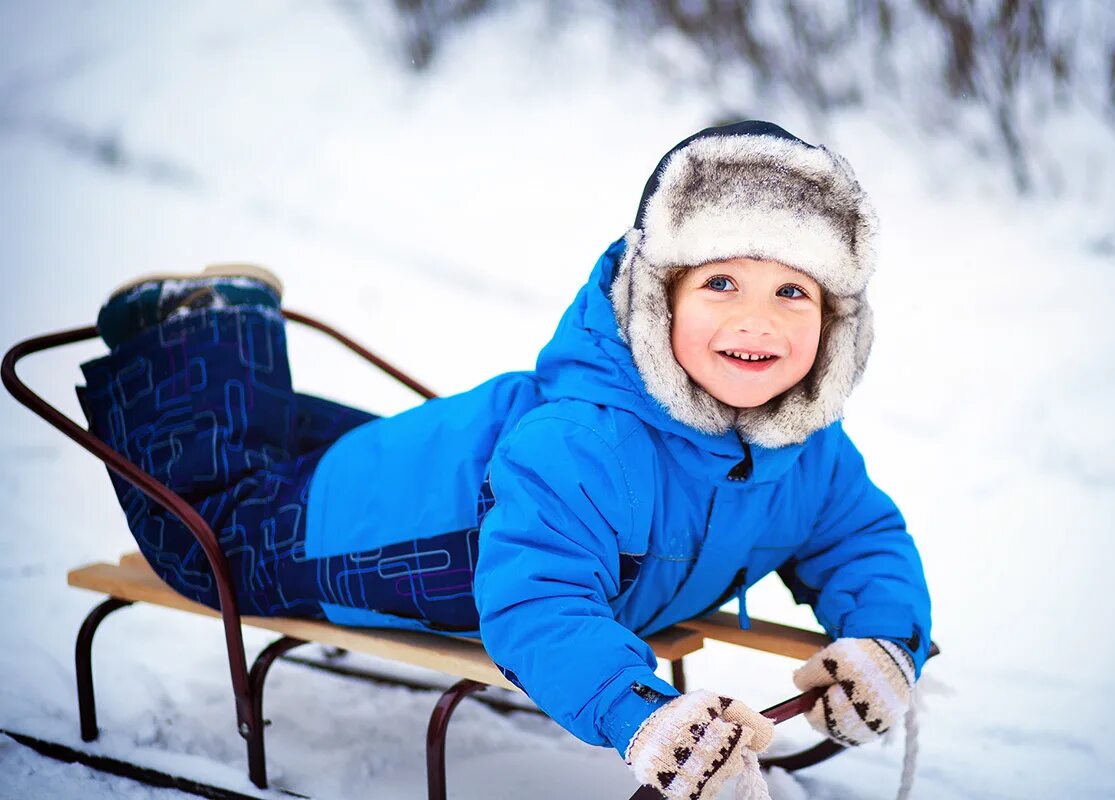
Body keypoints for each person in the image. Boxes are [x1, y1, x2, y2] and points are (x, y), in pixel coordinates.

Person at [80, 121, 932, 799]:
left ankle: (240, 364)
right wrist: (643, 715)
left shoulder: (806, 448)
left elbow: (863, 537)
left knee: (293, 458)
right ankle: (189, 328)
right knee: (212, 535)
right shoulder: (588, 444)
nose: (759, 321)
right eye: (720, 284)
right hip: (383, 529)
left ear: (835, 322)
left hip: (452, 467)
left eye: (793, 291)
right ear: (654, 299)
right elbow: (538, 602)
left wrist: (887, 641)